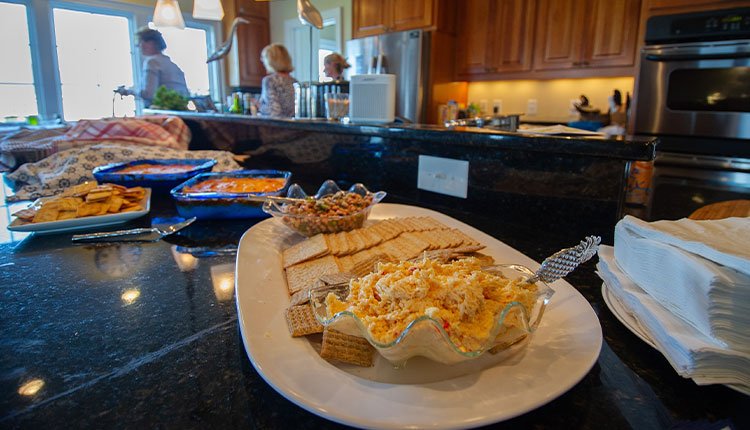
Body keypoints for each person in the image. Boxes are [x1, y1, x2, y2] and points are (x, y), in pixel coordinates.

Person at [116, 27, 189, 106]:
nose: (138, 47)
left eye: (140, 42)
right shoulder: (172, 65)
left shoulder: (152, 62)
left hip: (161, 111)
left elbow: (149, 94)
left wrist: (127, 91)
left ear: (150, 43)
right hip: (177, 110)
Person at [255, 44, 297, 118]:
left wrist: (258, 104)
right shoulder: (295, 82)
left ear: (270, 61)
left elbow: (274, 111)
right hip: (295, 127)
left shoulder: (270, 81)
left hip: (278, 127)